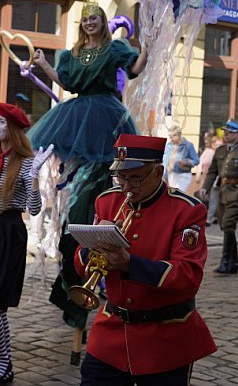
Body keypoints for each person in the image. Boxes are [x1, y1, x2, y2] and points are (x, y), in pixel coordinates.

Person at [28, 1, 148, 329]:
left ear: (102, 21)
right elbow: (66, 83)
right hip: (77, 114)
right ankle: (74, 266)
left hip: (107, 117)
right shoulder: (72, 54)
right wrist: (42, 64)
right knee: (77, 186)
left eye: (95, 18)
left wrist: (149, 47)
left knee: (98, 181)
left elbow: (135, 70)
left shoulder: (114, 48)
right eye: (86, 20)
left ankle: (90, 245)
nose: (90, 23)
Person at [74, 134, 216, 385]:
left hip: (164, 338)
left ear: (158, 171)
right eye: (121, 177)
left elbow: (188, 276)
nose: (126, 187)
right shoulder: (107, 201)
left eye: (135, 178)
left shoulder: (185, 210)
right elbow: (80, 263)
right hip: (112, 333)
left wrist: (130, 264)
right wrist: (93, 247)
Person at [0, 102, 51, 385]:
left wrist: (35, 178)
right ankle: (5, 363)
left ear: (14, 129)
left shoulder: (26, 162)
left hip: (9, 231)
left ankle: (3, 361)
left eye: (3, 122)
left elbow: (35, 209)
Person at [197, 119, 238, 275]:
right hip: (223, 193)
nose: (226, 135)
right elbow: (212, 172)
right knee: (225, 227)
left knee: (229, 225)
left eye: (229, 133)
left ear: (237, 135)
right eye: (225, 132)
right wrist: (205, 189)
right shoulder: (220, 151)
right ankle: (233, 262)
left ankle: (225, 261)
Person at [162, 125, 199, 192]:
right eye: (170, 136)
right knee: (172, 194)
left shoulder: (188, 145)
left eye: (173, 136)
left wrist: (186, 162)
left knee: (178, 193)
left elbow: (196, 160)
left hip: (183, 175)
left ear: (179, 135)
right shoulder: (169, 145)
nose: (171, 139)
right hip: (171, 174)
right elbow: (165, 158)